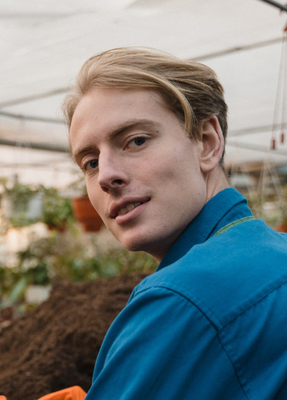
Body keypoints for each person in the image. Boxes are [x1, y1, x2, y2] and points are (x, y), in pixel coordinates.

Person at [65, 47, 287, 398]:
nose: (106, 175)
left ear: (207, 143)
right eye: (90, 162)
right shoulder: (277, 255)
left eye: (135, 141)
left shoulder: (182, 300)